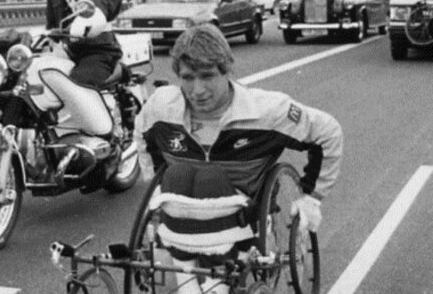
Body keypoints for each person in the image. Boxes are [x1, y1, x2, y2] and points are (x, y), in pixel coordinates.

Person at [134, 24, 343, 294]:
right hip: (183, 211)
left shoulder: (267, 111)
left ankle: (214, 281)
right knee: (176, 175)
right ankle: (186, 279)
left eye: (207, 76)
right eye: (187, 78)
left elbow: (328, 132)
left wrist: (312, 197)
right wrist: (155, 184)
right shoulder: (162, 107)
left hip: (241, 215)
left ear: (227, 71)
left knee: (210, 178)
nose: (197, 90)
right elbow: (143, 135)